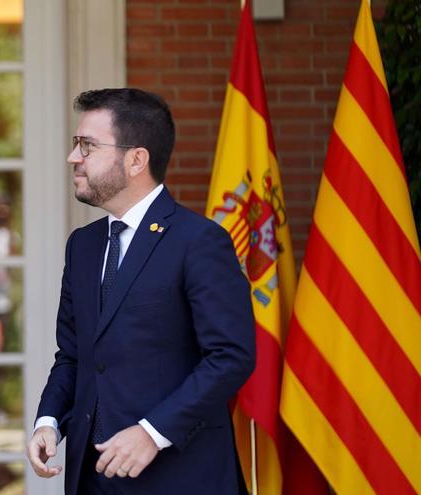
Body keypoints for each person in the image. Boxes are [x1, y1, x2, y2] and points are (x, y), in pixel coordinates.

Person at [26, 88, 255, 494]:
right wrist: (48, 420)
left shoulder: (199, 241)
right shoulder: (83, 245)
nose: (73, 157)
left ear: (136, 159)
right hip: (90, 480)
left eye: (87, 145)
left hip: (180, 477)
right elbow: (75, 355)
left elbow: (231, 356)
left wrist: (153, 432)